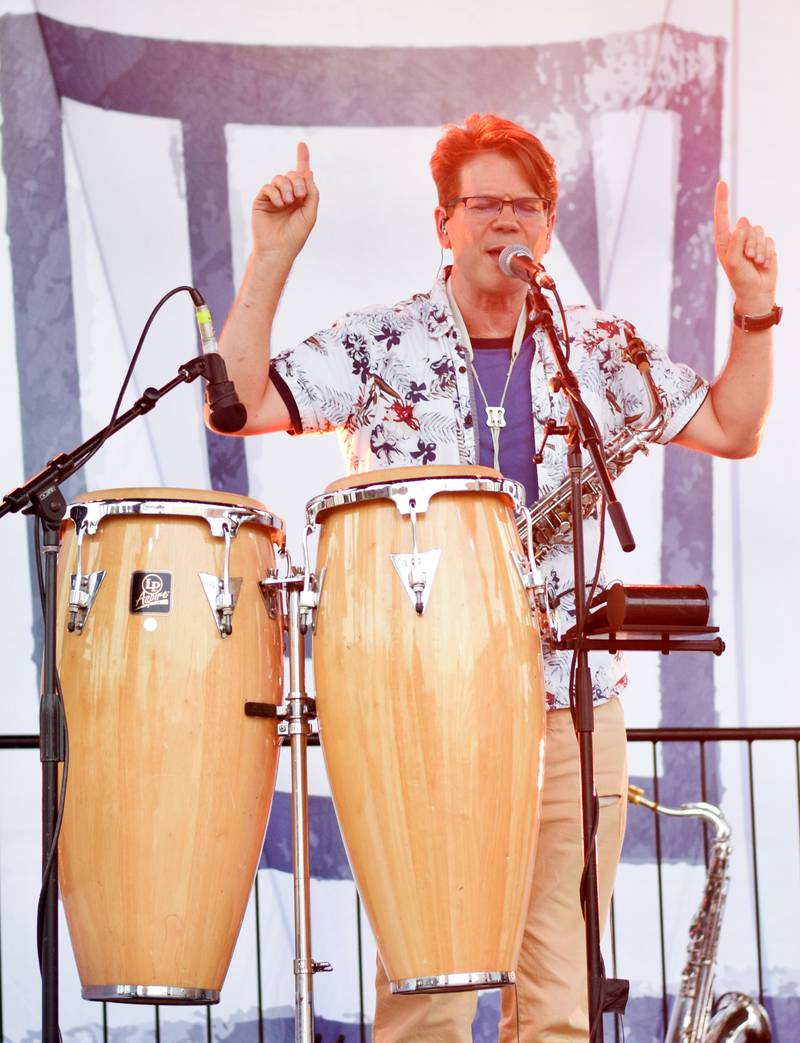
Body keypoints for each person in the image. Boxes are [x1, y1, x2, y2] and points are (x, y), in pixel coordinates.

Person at [210, 114, 777, 1041]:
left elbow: (732, 427)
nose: (505, 223)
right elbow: (234, 403)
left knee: (556, 992)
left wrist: (753, 311)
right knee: (428, 986)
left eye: (524, 207)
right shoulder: (380, 343)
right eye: (483, 205)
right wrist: (272, 254)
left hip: (568, 701)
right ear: (445, 224)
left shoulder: (592, 348)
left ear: (547, 228)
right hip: (420, 701)